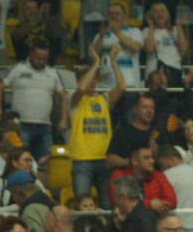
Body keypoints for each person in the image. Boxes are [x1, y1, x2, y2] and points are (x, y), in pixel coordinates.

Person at [0, 43, 65, 171]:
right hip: (20, 126)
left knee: (44, 166)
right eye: (38, 58)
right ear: (30, 54)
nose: (41, 61)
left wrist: (63, 119)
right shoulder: (18, 68)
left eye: (44, 59)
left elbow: (63, 96)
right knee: (18, 161)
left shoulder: (53, 73)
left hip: (45, 127)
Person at [70, 43, 126, 209]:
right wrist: (96, 63)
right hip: (82, 159)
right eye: (90, 77)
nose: (92, 81)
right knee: (82, 204)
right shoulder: (73, 98)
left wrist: (113, 60)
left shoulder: (103, 98)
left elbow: (122, 87)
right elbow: (81, 87)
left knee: (107, 205)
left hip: (104, 158)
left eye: (95, 77)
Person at [105, 92, 168, 175]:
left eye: (152, 108)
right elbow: (110, 161)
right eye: (145, 107)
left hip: (153, 178)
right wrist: (136, 160)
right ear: (135, 110)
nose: (149, 111)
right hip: (128, 178)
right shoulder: (122, 132)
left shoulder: (159, 132)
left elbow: (169, 160)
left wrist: (156, 153)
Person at [108, 142, 177, 212]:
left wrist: (142, 205)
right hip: (128, 217)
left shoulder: (159, 176)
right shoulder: (118, 176)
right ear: (134, 161)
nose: (152, 161)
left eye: (152, 157)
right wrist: (149, 204)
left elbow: (172, 202)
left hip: (155, 217)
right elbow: (116, 202)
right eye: (147, 158)